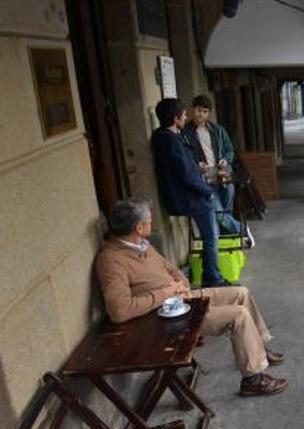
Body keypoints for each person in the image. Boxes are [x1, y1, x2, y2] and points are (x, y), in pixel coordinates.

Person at [95, 199, 288, 396]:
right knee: (238, 316)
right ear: (139, 227)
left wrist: (181, 284)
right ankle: (253, 380)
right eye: (150, 221)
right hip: (162, 318)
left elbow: (171, 269)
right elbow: (119, 311)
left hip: (181, 299)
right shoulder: (111, 260)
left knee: (240, 292)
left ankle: (259, 350)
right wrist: (166, 293)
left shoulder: (142, 245)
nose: (152, 223)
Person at [151, 98, 229, 288]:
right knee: (211, 237)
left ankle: (208, 273)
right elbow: (186, 175)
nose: (187, 117)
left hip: (181, 196)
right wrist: (207, 191)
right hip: (192, 196)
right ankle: (213, 278)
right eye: (184, 114)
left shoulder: (161, 137)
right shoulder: (173, 141)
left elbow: (183, 168)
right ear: (176, 118)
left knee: (210, 235)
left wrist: (196, 166)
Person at [181, 95, 254, 247]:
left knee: (224, 215)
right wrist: (196, 165)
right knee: (219, 216)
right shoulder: (185, 134)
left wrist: (225, 160)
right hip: (204, 182)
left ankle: (229, 246)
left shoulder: (217, 130)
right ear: (193, 109)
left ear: (209, 113)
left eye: (205, 111)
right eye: (199, 110)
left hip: (224, 179)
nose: (201, 114)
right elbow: (184, 158)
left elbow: (230, 151)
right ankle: (243, 231)